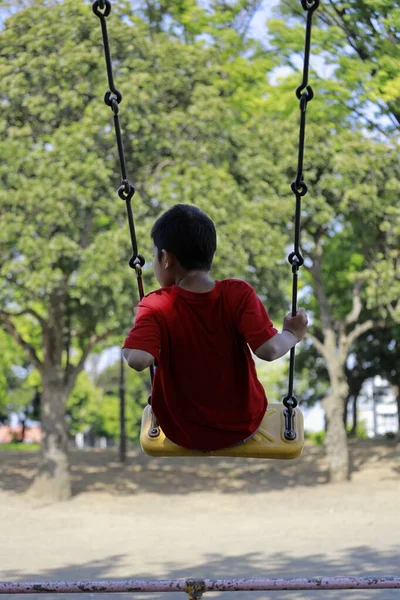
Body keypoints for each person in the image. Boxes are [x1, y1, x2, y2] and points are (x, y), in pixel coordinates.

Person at [123, 204, 308, 451]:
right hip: (242, 425)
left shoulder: (155, 305)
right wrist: (292, 334)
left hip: (181, 430)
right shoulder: (238, 293)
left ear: (166, 259)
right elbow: (269, 350)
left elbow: (137, 359)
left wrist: (138, 331)